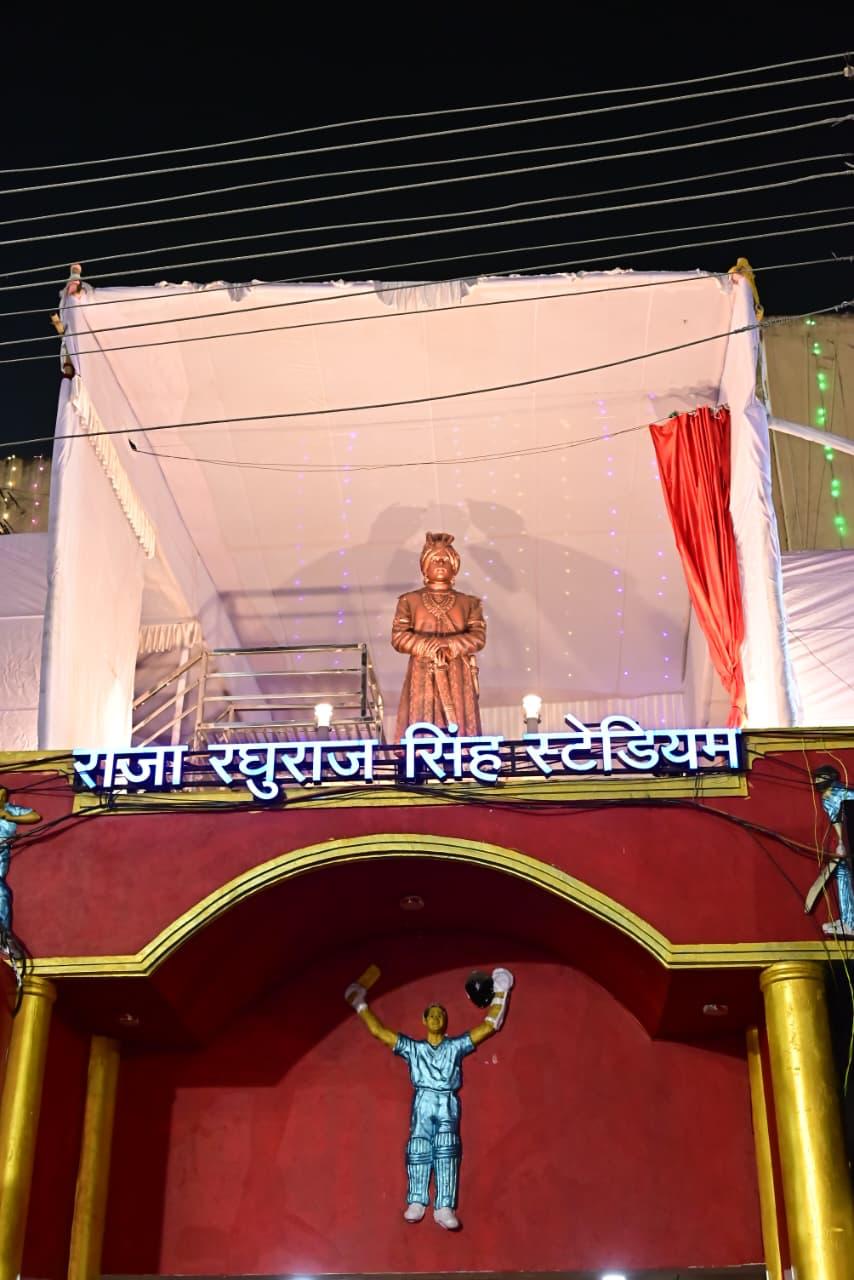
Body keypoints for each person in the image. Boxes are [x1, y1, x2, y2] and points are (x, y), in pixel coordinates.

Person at [344, 967, 514, 1229]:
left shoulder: (454, 1046)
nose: (435, 1018)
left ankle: (444, 1205)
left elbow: (489, 1026)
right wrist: (360, 1004)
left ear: (445, 1021)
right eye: (431, 1015)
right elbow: (380, 1032)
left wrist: (501, 993)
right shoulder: (414, 1049)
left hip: (446, 1100)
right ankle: (417, 1199)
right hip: (423, 1100)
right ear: (424, 1021)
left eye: (439, 1014)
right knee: (418, 1147)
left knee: (447, 1149)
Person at [391, 531, 486, 739]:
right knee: (421, 718)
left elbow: (478, 637)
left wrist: (448, 645)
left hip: (458, 670)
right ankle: (423, 751)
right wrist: (429, 647)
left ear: (455, 566)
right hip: (422, 669)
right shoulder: (409, 601)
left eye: (446, 559)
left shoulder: (469, 603)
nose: (441, 563)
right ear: (425, 566)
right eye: (435, 559)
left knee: (460, 727)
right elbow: (398, 637)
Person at [812, 766, 854, 937]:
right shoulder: (831, 795)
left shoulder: (838, 794)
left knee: (844, 873)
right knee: (843, 873)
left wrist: (843, 843)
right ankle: (848, 919)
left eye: (820, 777)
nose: (816, 781)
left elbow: (841, 819)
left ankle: (850, 922)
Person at [0, 787, 41, 936]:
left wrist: (10, 817)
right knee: (2, 893)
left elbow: (35, 816)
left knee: (2, 893)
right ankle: (4, 933)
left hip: (1, 854)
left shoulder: (11, 810)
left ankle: (3, 935)